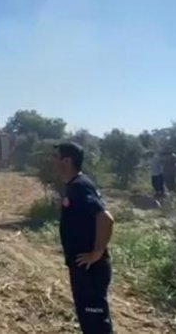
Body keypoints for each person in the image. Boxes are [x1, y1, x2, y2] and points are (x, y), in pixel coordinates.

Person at [53, 142, 115, 334]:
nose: (52, 161)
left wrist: (97, 252)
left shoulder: (80, 187)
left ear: (67, 160)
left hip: (91, 268)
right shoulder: (74, 185)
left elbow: (106, 218)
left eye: (56, 156)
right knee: (90, 322)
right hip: (83, 267)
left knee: (96, 323)